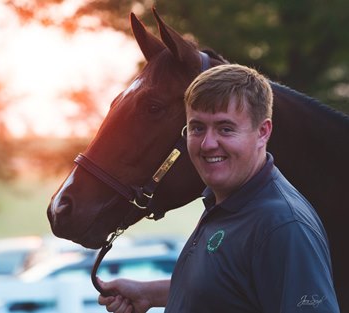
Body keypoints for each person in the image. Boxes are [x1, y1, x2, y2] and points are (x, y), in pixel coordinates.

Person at [97, 64, 340, 313]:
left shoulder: (282, 226)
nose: (207, 143)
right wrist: (149, 294)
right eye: (197, 128)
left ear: (263, 132)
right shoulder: (225, 200)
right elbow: (232, 285)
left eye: (225, 129)